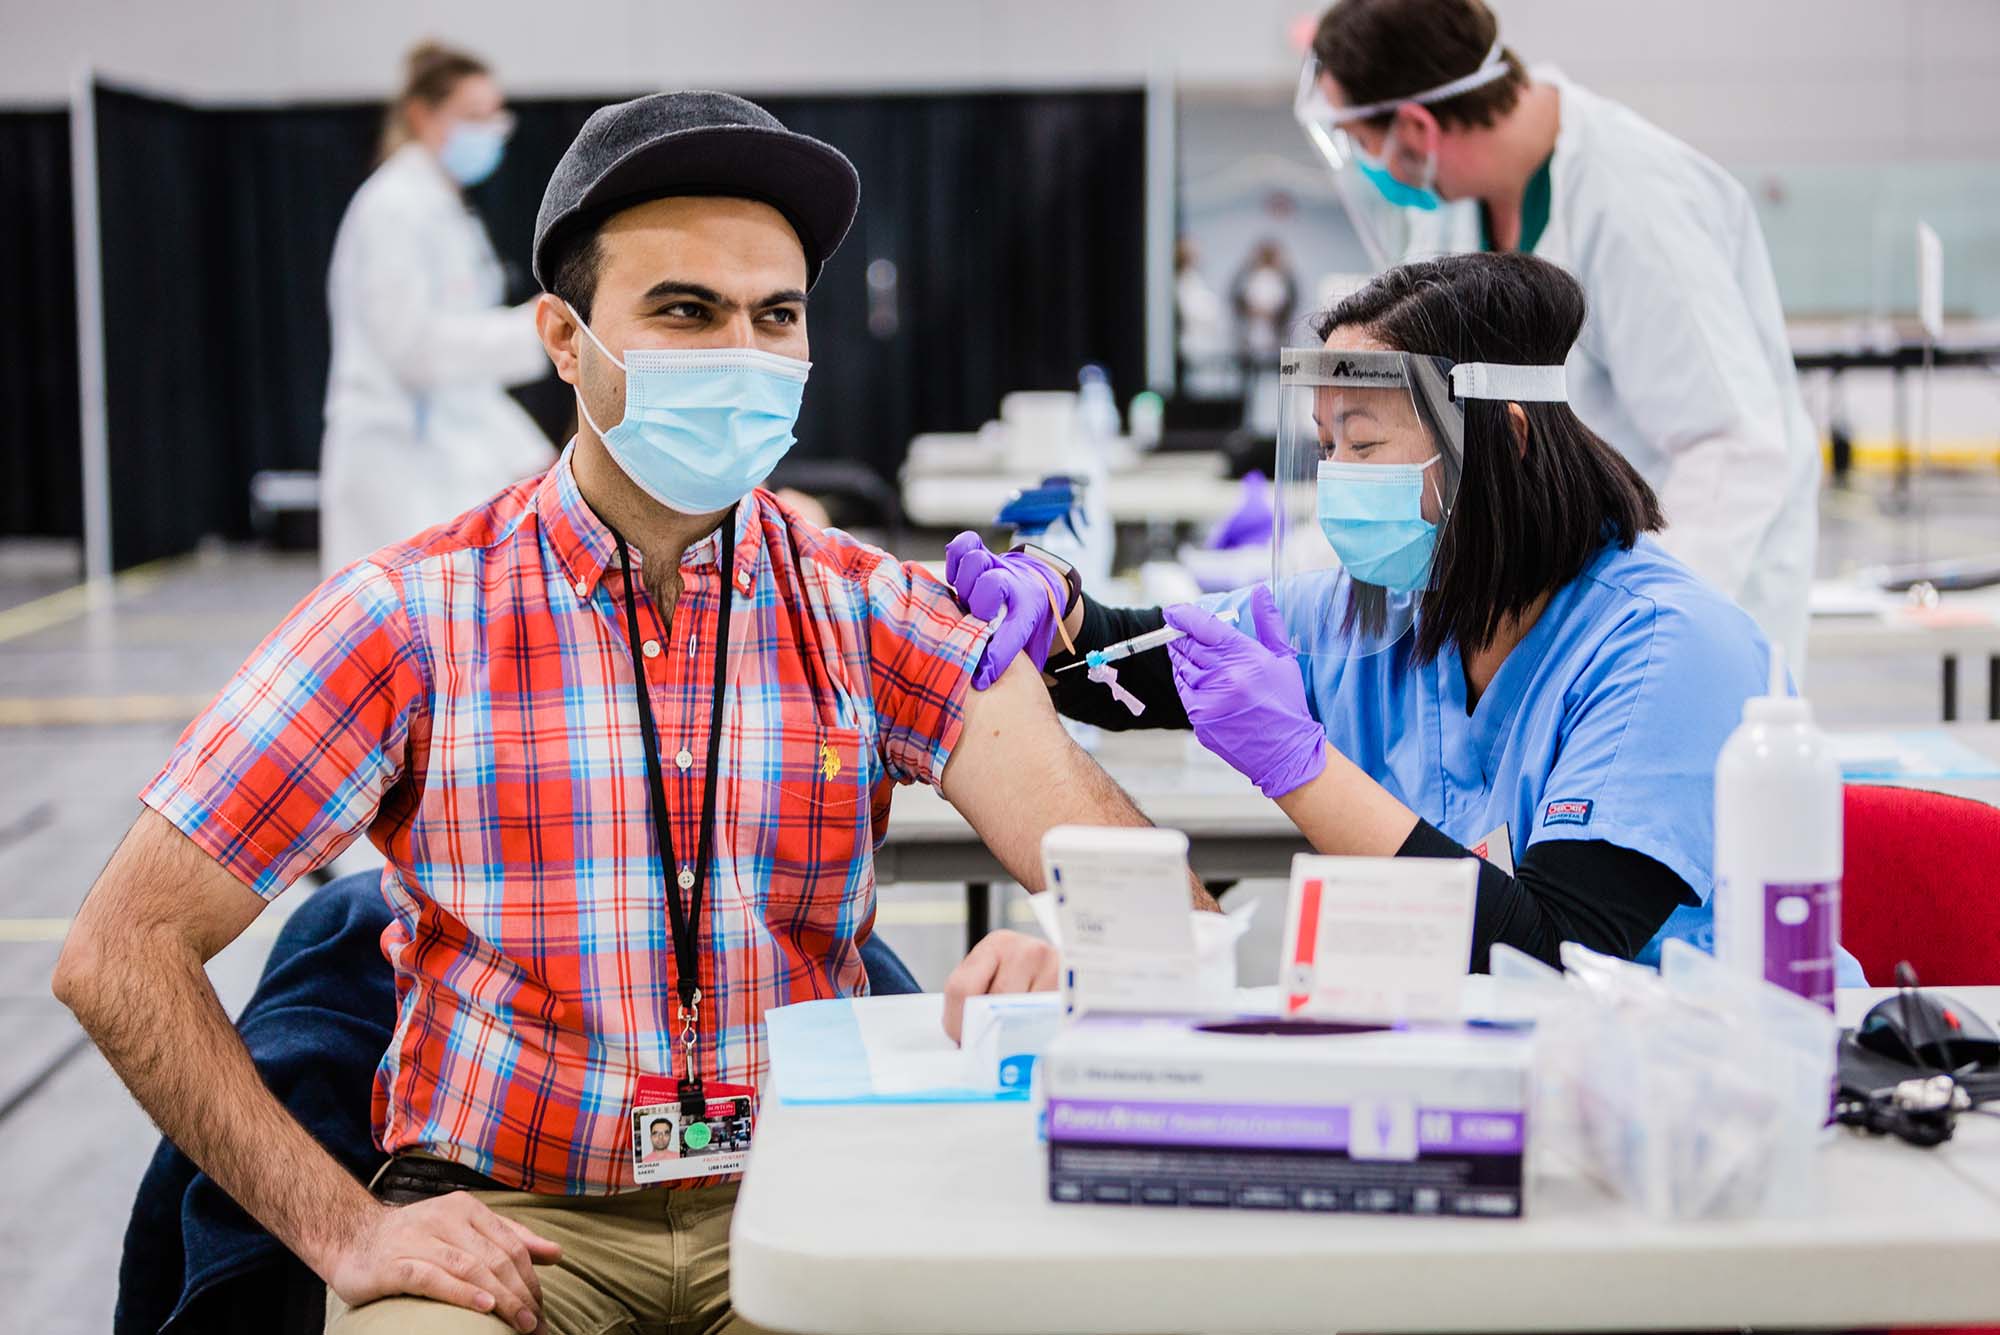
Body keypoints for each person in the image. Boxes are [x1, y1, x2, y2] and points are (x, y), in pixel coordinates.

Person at [56, 92, 1196, 1335]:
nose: (742, 355)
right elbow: (119, 953)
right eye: (684, 312)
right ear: (562, 337)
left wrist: (1063, 949)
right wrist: (346, 1226)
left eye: (776, 317)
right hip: (507, 1220)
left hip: (802, 1196)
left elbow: (1154, 910)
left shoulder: (874, 611)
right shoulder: (410, 617)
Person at [947, 250, 1863, 985]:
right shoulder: (1381, 612)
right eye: (1328, 446)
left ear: (1501, 437)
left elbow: (1551, 956)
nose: (1341, 476)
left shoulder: (1667, 651)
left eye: (1369, 443)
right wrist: (1053, 603)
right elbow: (1129, 663)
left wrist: (1300, 767)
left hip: (1690, 1105)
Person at [1294, 0, 1818, 669]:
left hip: (1675, 603)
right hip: (1539, 607)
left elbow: (1734, 447)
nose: (1369, 166)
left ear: (1419, 127)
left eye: (1364, 145)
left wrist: (1632, 623)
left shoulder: (1632, 204)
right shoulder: (1458, 209)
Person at [319, 41, 556, 574]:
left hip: (443, 449)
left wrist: (534, 454)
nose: (491, 130)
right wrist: (536, 329)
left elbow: (465, 383)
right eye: (474, 116)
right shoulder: (393, 208)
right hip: (396, 457)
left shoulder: (447, 210)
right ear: (422, 116)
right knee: (391, 633)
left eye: (497, 115)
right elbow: (415, 352)